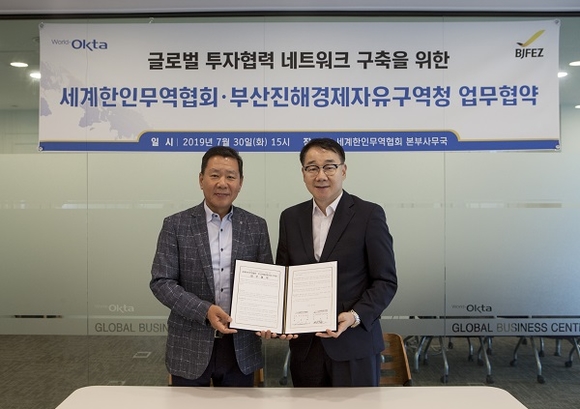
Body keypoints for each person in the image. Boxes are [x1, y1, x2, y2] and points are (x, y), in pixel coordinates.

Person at [276, 137, 397, 387]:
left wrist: (355, 316)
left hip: (354, 345)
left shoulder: (369, 214)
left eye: (329, 167)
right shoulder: (290, 217)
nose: (321, 175)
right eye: (312, 168)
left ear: (343, 170)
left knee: (357, 406)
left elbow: (385, 281)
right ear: (303, 173)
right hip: (306, 349)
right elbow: (283, 279)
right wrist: (279, 320)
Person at [150, 146, 273, 387]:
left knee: (239, 404)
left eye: (230, 176)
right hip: (189, 344)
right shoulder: (176, 225)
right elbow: (161, 282)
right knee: (187, 404)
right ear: (201, 179)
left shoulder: (256, 226)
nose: (222, 183)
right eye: (215, 175)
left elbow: (267, 282)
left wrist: (270, 319)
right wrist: (205, 311)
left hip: (240, 346)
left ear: (240, 182)